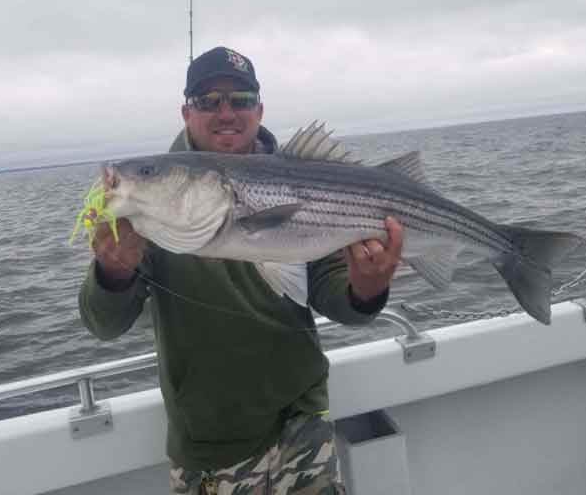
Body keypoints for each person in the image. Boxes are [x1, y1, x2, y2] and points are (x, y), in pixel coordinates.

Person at [79, 46, 403, 494]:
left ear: (260, 109)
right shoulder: (146, 213)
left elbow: (336, 299)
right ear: (186, 113)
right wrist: (113, 272)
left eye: (241, 99)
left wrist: (367, 288)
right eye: (208, 101)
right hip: (213, 444)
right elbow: (104, 324)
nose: (225, 112)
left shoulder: (309, 175)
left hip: (304, 419)